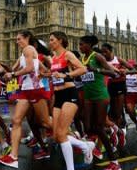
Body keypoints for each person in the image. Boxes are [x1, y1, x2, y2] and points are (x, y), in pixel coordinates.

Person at [0, 30, 53, 168]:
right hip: (25, 91)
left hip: (34, 90)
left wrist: (13, 74)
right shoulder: (24, 54)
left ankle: (73, 138)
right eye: (16, 39)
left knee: (45, 123)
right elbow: (15, 70)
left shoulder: (29, 48)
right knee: (16, 121)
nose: (17, 41)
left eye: (19, 39)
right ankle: (13, 157)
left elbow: (27, 69)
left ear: (27, 38)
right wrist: (2, 71)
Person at [48, 31, 93, 170]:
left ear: (60, 40)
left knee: (62, 134)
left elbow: (82, 69)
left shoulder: (67, 55)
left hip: (69, 94)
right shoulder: (53, 58)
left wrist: (66, 74)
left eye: (52, 40)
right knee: (56, 136)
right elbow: (54, 76)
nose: (50, 42)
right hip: (58, 96)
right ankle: (85, 145)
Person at [78, 35, 119, 168]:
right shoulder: (82, 59)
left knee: (98, 128)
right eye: (79, 44)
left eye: (82, 44)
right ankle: (111, 131)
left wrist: (96, 69)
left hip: (101, 96)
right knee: (88, 127)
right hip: (88, 96)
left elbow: (113, 73)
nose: (80, 47)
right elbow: (82, 76)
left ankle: (114, 162)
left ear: (90, 45)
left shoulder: (97, 57)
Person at [100, 43, 135, 148]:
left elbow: (133, 69)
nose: (104, 54)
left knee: (118, 112)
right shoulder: (103, 62)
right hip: (108, 86)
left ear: (111, 51)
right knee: (110, 113)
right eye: (102, 52)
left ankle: (120, 133)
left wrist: (126, 72)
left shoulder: (118, 60)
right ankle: (116, 133)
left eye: (105, 51)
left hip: (119, 86)